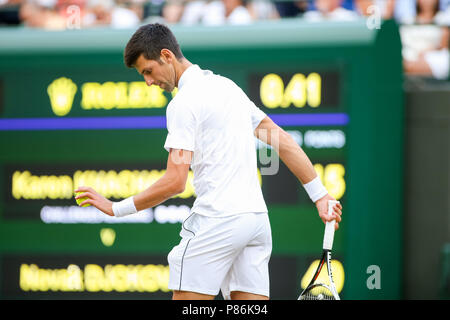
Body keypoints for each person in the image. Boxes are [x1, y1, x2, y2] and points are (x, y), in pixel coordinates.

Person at [75, 23, 343, 300]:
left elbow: (175, 182)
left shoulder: (182, 105)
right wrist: (320, 195)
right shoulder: (228, 88)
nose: (148, 81)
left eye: (148, 71)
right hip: (255, 224)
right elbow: (282, 141)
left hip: (218, 222)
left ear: (166, 56)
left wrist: (116, 208)